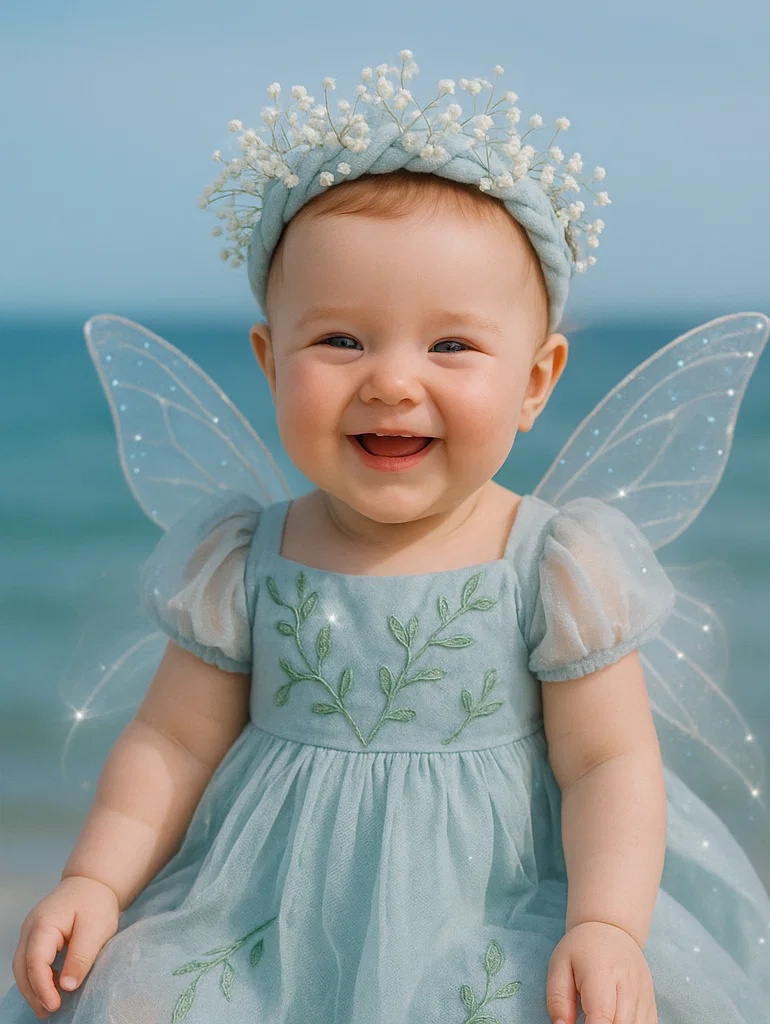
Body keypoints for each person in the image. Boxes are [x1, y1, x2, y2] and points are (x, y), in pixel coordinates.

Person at [2, 50, 769, 1024]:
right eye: (341, 340)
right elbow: (170, 742)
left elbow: (607, 763)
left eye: (449, 344)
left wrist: (605, 923)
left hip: (495, 907)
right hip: (263, 913)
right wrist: (95, 882)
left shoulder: (549, 562)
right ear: (268, 358)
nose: (392, 381)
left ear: (536, 380)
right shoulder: (245, 558)